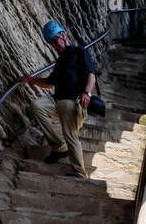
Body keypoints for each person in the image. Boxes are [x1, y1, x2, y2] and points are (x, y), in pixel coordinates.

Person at [18, 19, 96, 179]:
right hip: (56, 101)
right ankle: (59, 147)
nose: (56, 44)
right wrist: (30, 80)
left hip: (73, 101)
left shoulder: (79, 51)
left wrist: (87, 93)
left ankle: (80, 172)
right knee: (37, 105)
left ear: (63, 35)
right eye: (53, 43)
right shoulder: (60, 62)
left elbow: (91, 74)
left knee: (71, 135)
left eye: (56, 40)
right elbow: (49, 83)